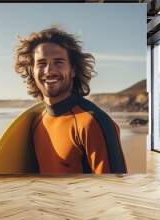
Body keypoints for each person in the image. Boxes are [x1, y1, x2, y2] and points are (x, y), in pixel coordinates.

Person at [14, 27, 127, 174]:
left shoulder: (92, 123)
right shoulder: (36, 122)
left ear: (73, 70)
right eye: (41, 63)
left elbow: (114, 188)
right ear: (32, 71)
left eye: (58, 62)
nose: (49, 71)